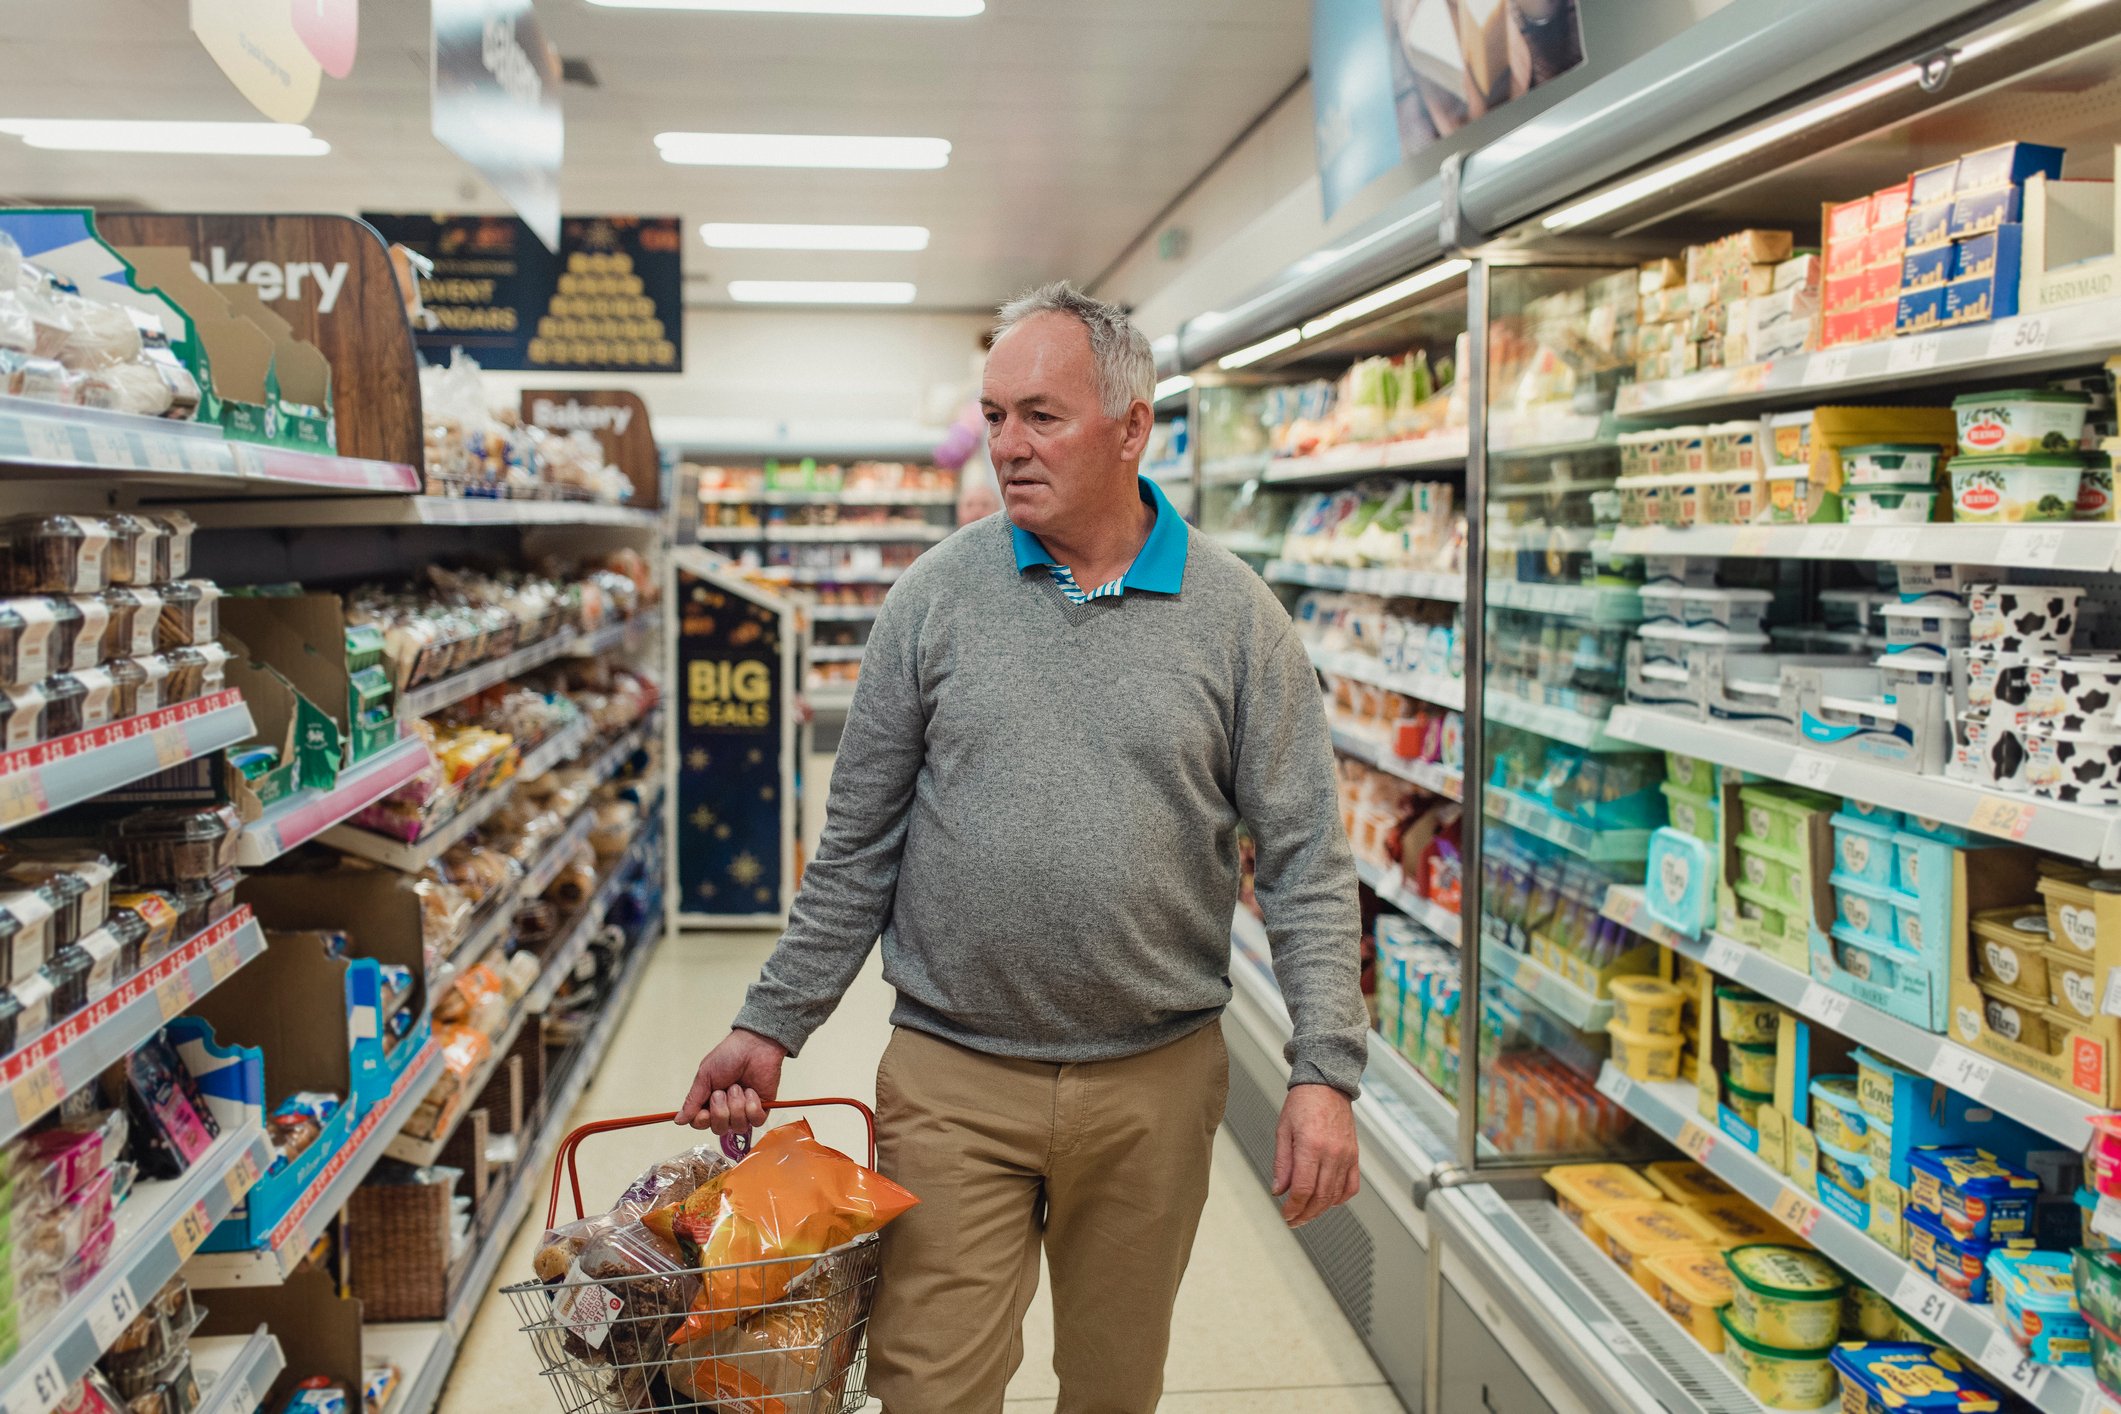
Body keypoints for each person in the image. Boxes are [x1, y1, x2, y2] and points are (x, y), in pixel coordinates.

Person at [676, 281, 1368, 1413]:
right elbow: (857, 848)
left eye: (1040, 415)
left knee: (1113, 1383)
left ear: (1131, 425)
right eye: (993, 415)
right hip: (953, 1074)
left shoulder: (1238, 620)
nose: (1006, 445)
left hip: (1157, 1076)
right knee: (927, 1385)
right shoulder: (932, 603)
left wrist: (1322, 1069)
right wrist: (771, 1020)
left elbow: (1304, 858)